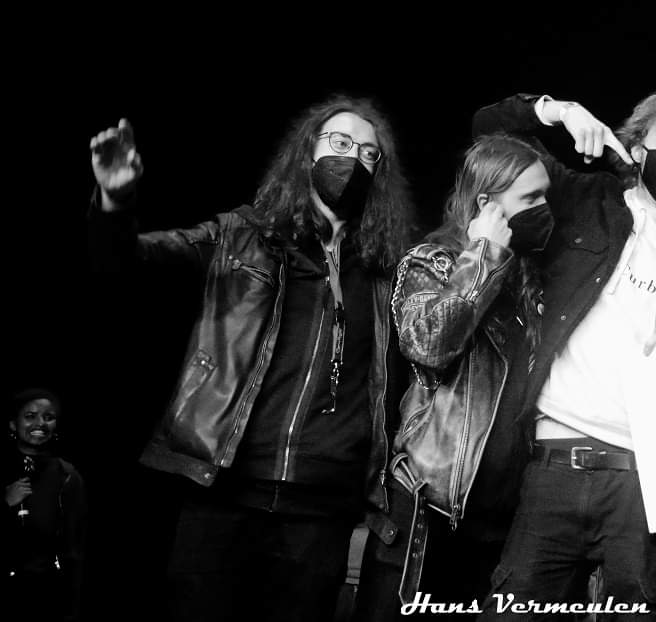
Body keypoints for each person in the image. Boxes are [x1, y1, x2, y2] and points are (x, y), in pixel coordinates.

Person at [87, 96, 415, 622]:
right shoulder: (240, 236)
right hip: (226, 493)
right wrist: (114, 202)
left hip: (322, 509)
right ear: (307, 153)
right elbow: (124, 261)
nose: (353, 159)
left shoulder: (384, 270)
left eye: (368, 153)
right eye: (340, 143)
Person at [472, 89, 656, 618]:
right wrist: (559, 111)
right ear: (636, 150)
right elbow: (489, 131)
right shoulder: (587, 202)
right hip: (551, 465)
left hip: (645, 484)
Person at [353, 133, 551, 621]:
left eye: (545, 195)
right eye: (530, 198)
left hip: (502, 517)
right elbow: (428, 345)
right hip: (431, 505)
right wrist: (483, 255)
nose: (543, 208)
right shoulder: (432, 261)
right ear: (487, 205)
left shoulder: (530, 279)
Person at [2, 388, 87, 622]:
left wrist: (71, 609)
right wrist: (5, 504)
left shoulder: (67, 476)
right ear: (13, 424)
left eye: (48, 417)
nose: (40, 423)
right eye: (30, 416)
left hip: (46, 595)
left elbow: (75, 547)